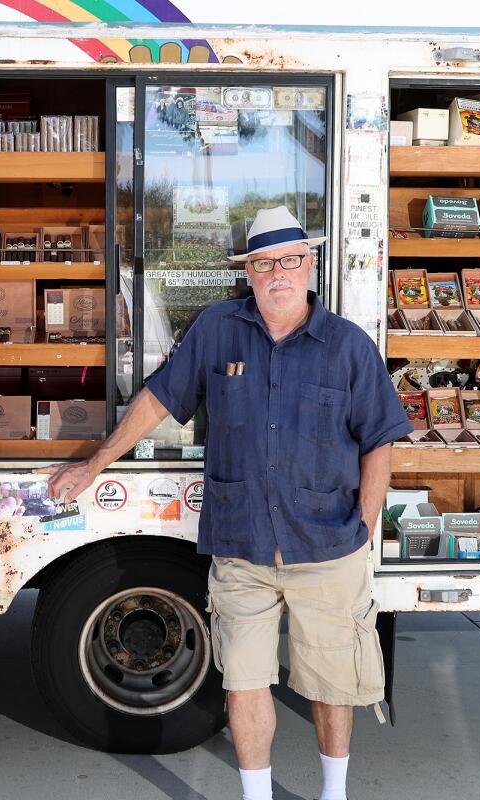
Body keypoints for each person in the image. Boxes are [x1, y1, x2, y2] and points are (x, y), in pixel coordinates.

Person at [43, 207, 411, 800]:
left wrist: (365, 528)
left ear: (310, 263)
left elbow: (379, 441)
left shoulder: (348, 346)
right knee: (243, 681)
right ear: (250, 273)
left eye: (290, 260)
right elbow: (158, 400)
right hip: (241, 544)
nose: (278, 274)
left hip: (328, 544)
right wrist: (96, 462)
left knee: (331, 684)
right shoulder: (218, 328)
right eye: (264, 264)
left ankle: (334, 792)